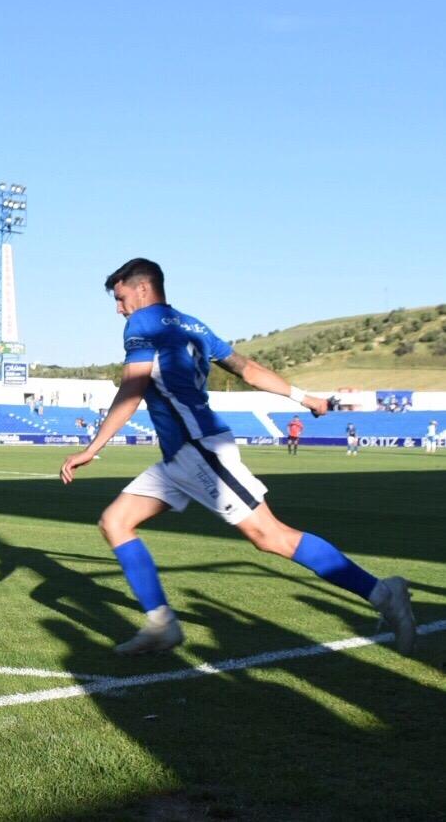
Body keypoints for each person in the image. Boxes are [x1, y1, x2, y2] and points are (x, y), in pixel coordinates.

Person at [60, 258, 417, 656]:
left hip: (199, 449)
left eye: (121, 297)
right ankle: (161, 623)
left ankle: (384, 593)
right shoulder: (193, 325)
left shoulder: (142, 324)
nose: (119, 308)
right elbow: (247, 369)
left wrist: (92, 448)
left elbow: (132, 388)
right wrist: (304, 397)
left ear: (142, 289)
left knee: (270, 535)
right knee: (116, 521)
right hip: (181, 456)